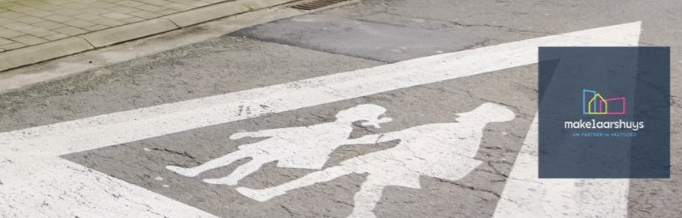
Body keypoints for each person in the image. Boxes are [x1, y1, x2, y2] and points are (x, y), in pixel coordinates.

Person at [238, 102, 517, 218]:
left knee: (338, 172)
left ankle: (271, 191)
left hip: (402, 158)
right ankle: (361, 213)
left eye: (478, 108)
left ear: (482, 114)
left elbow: (397, 136)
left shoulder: (461, 129)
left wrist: (348, 141)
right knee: (366, 183)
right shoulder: (470, 132)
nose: (471, 109)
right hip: (405, 159)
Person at [167, 103, 390, 185]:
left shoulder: (336, 127)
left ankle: (197, 171)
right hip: (292, 145)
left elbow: (295, 131)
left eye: (351, 111)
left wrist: (254, 133)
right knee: (253, 159)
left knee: (240, 156)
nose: (344, 110)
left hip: (288, 143)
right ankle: (229, 178)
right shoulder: (342, 129)